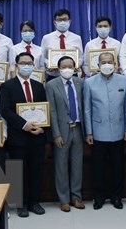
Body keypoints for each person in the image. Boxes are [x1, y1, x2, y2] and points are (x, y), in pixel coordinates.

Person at [0, 52, 47, 217]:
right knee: (18, 171)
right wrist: (23, 125)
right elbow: (5, 110)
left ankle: (34, 202)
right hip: (17, 136)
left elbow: (45, 110)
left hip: (37, 136)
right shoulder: (7, 86)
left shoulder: (39, 86)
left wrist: (43, 128)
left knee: (36, 170)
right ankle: (20, 205)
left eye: (29, 63)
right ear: (16, 66)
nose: (26, 66)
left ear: (33, 66)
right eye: (23, 63)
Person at [83, 52, 126, 210]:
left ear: (115, 64)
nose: (107, 64)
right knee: (98, 168)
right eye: (103, 62)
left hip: (118, 131)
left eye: (110, 62)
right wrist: (89, 132)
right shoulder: (89, 82)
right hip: (97, 132)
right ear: (98, 65)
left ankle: (117, 197)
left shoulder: (123, 80)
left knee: (118, 167)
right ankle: (99, 198)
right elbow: (87, 109)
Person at [45, 56, 85, 212]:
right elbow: (52, 111)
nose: (67, 69)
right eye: (64, 66)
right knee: (61, 166)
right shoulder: (51, 85)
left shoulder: (81, 83)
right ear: (58, 68)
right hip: (62, 130)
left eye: (70, 66)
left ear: (75, 68)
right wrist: (56, 134)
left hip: (79, 129)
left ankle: (76, 197)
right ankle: (64, 199)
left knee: (77, 165)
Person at [40, 9, 83, 80]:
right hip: (53, 75)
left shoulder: (77, 38)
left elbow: (81, 57)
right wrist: (49, 63)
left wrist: (77, 64)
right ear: (54, 22)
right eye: (59, 20)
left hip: (72, 75)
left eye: (65, 19)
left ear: (69, 21)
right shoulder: (46, 38)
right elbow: (42, 57)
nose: (62, 22)